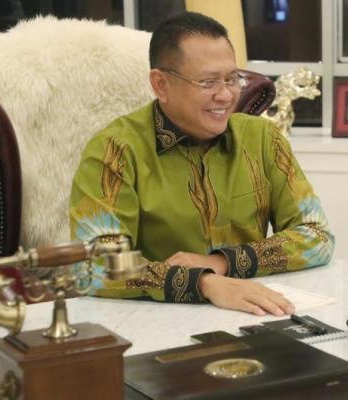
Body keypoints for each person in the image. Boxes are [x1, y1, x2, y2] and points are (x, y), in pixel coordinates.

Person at [69, 12, 334, 316]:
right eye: (208, 82)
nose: (225, 95)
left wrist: (223, 262)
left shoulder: (262, 139)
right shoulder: (115, 151)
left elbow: (317, 236)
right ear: (161, 85)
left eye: (232, 79)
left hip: (253, 314)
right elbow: (94, 264)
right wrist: (202, 283)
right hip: (155, 321)